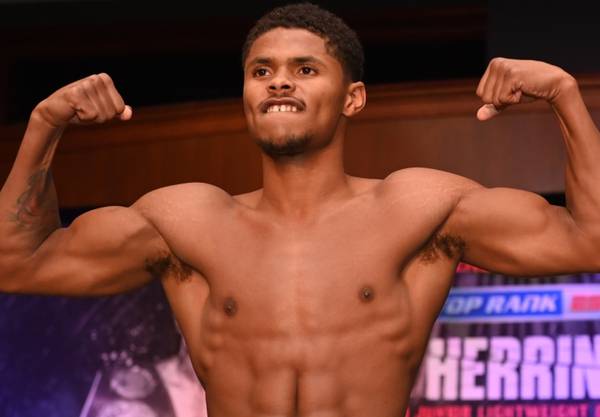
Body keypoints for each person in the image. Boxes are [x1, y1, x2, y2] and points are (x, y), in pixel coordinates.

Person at [1, 3, 599, 416]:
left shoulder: (418, 209)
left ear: (352, 98)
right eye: (261, 71)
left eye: (305, 70)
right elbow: (17, 263)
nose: (278, 83)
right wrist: (44, 125)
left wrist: (565, 97)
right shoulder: (186, 221)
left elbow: (589, 240)